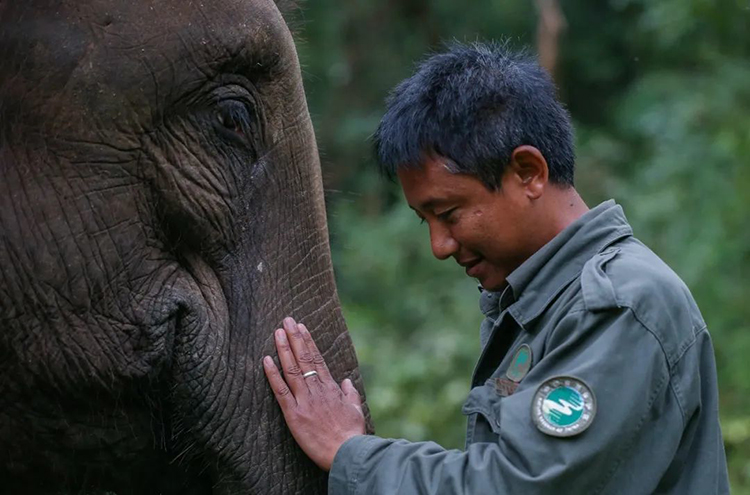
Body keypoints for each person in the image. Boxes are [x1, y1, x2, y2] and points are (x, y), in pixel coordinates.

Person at [262, 41, 730, 494]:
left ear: (528, 172)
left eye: (448, 214)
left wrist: (350, 452)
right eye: (424, 220)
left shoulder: (620, 305)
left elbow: (518, 486)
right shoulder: (543, 302)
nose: (439, 246)